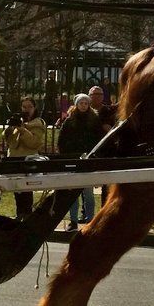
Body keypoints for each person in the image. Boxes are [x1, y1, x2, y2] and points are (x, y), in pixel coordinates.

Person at [58, 93, 103, 230]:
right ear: (76, 104)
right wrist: (67, 155)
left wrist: (94, 155)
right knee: (73, 193)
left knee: (88, 193)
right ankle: (73, 221)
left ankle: (90, 221)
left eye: (86, 103)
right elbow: (62, 140)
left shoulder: (94, 120)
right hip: (73, 159)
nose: (83, 106)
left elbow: (98, 139)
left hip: (88, 159)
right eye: (81, 103)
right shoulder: (69, 120)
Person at [3, 97, 46, 218]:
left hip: (28, 160)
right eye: (24, 107)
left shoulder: (38, 123)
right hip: (14, 159)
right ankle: (19, 215)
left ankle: (27, 215)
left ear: (34, 108)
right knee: (17, 190)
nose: (27, 109)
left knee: (27, 189)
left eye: (30, 107)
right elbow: (8, 140)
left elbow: (34, 143)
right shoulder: (18, 120)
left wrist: (22, 130)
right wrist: (10, 127)